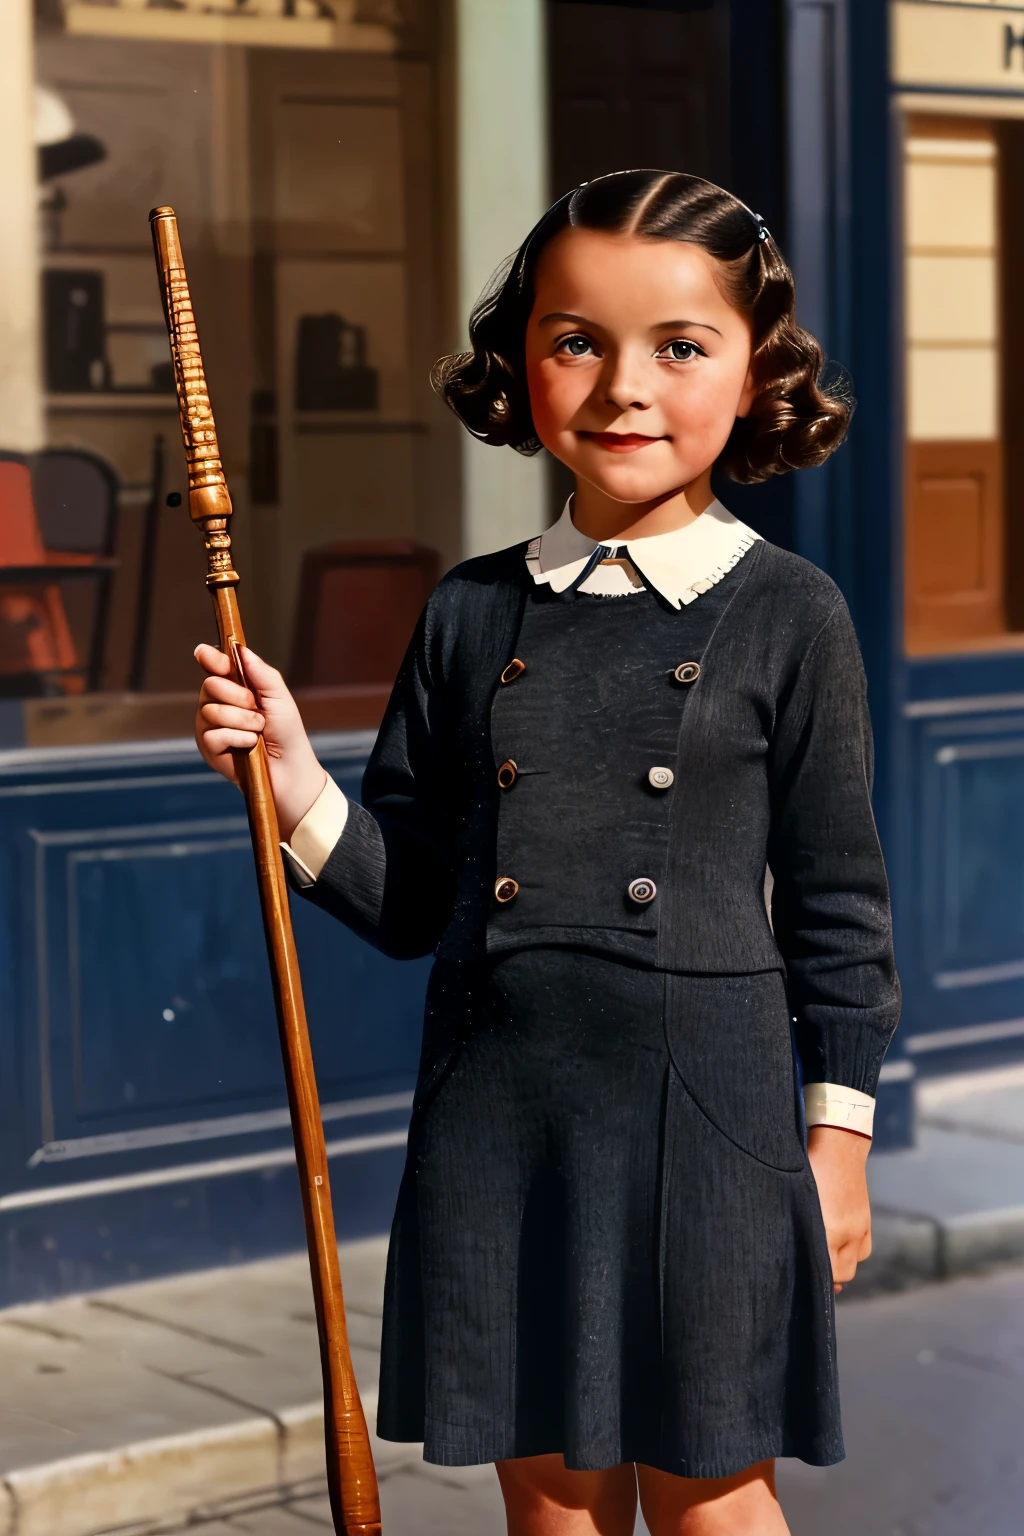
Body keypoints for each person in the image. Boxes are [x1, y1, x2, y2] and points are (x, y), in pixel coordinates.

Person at [194, 171, 900, 1536]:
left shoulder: (788, 614)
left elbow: (840, 908)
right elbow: (411, 900)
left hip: (710, 1119)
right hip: (503, 1107)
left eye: (680, 346)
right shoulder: (469, 613)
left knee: (714, 1501)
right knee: (555, 1508)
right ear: (523, 365)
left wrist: (841, 1138)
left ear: (757, 375)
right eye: (578, 340)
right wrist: (290, 785)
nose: (625, 386)